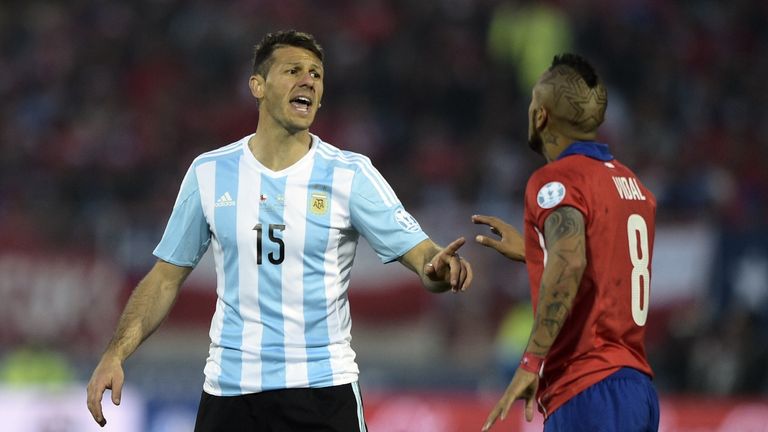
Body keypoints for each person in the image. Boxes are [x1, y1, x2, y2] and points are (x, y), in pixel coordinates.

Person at [86, 30, 472, 431]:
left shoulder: (349, 174)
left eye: (316, 75)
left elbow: (424, 256)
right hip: (231, 393)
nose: (308, 81)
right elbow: (165, 278)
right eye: (293, 71)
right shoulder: (210, 172)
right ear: (258, 85)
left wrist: (441, 269)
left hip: (322, 393)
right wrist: (116, 353)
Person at [474, 53, 659, 431]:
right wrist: (536, 253)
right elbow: (602, 266)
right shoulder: (635, 189)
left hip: (588, 388)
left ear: (541, 115)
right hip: (637, 389)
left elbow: (571, 262)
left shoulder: (557, 181)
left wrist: (530, 363)